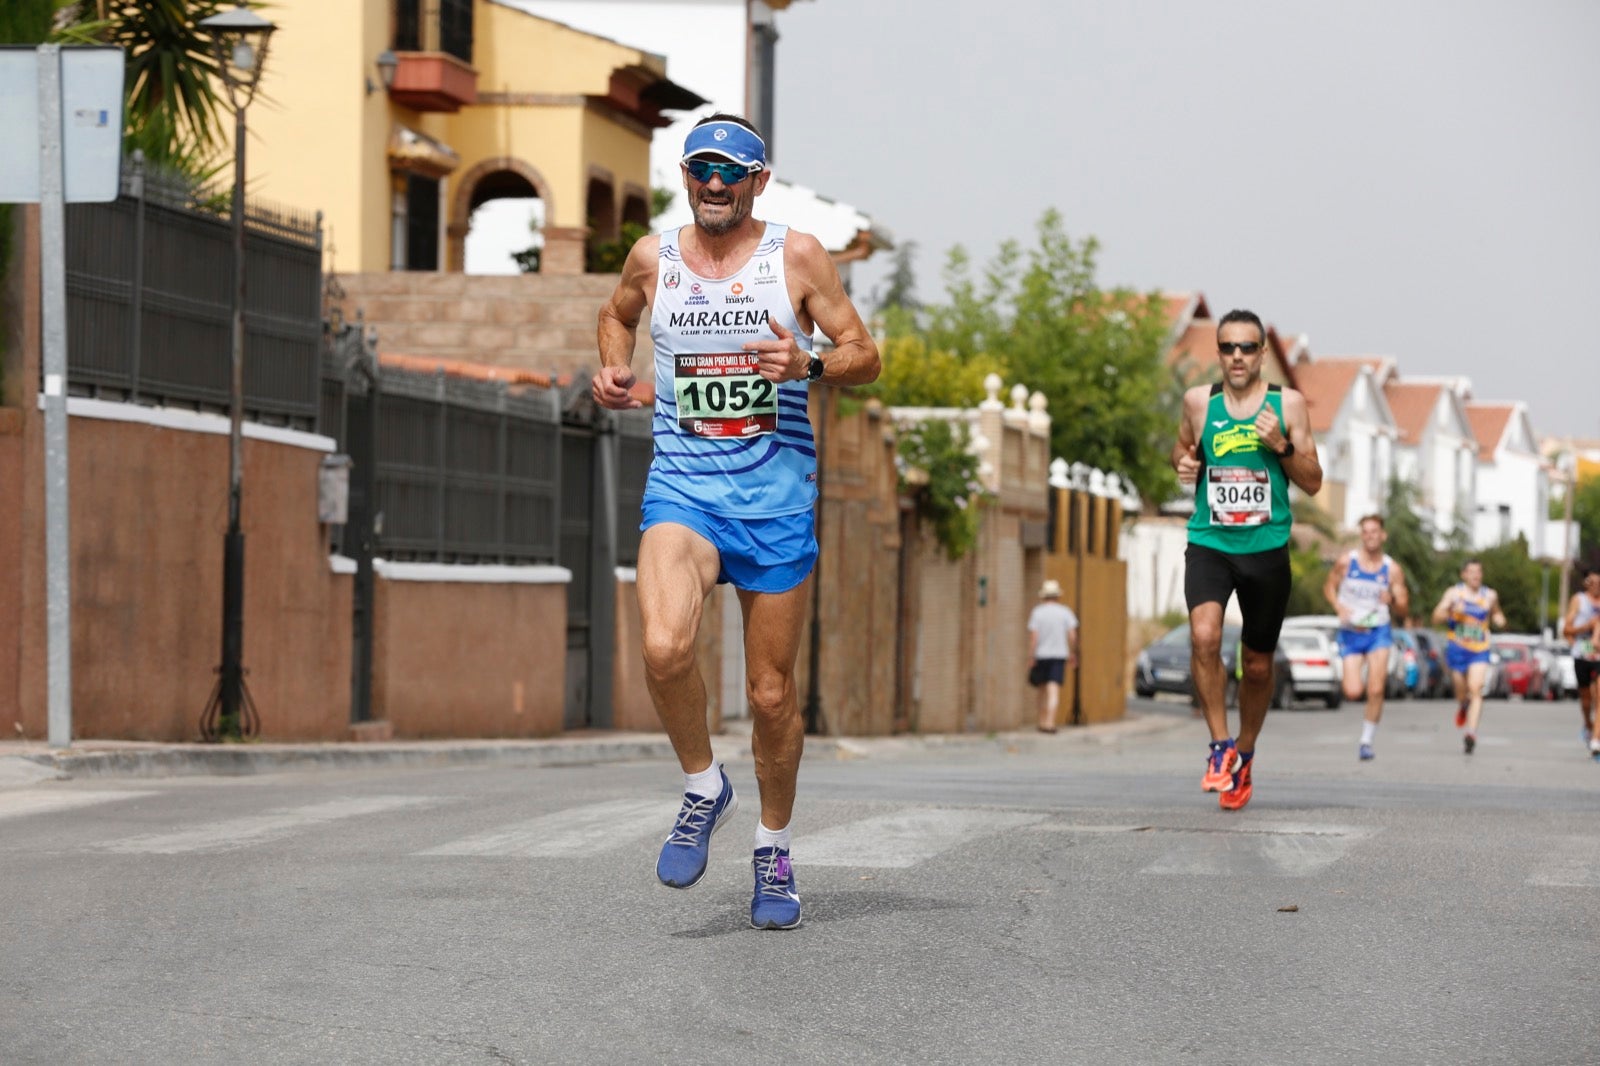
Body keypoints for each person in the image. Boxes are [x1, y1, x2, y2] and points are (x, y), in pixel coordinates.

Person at [591, 114, 880, 930]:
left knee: (770, 693)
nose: (714, 184)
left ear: (758, 180)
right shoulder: (654, 258)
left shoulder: (796, 256)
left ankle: (773, 846)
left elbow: (866, 353)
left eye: (732, 171)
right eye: (700, 170)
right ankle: (702, 786)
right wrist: (612, 366)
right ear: (685, 176)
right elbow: (615, 314)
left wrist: (812, 361)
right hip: (684, 491)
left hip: (777, 502)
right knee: (662, 644)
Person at [1172, 309, 1322, 810]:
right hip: (1211, 541)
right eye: (1228, 347)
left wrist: (1280, 445)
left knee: (1256, 666)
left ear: (1261, 354)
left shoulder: (1288, 405)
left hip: (1266, 549)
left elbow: (1313, 480)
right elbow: (1182, 450)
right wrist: (1185, 463)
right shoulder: (1198, 402)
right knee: (1205, 636)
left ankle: (1246, 754)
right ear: (1218, 353)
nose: (1237, 356)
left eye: (1247, 348)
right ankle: (1219, 748)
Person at [1323, 514, 1410, 760]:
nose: (1370, 536)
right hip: (1351, 632)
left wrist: (1392, 600)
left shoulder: (1392, 569)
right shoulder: (1345, 562)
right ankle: (1358, 680)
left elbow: (1404, 608)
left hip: (1378, 632)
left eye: (1375, 531)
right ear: (1361, 535)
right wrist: (1338, 606)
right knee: (1352, 691)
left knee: (1376, 688)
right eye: (1366, 532)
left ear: (1383, 535)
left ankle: (1366, 741)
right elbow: (1329, 586)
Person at [1430, 559, 1506, 755]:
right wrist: (1450, 610)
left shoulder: (1489, 595)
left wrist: (1499, 620)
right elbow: (1436, 616)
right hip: (1457, 648)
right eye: (1471, 572)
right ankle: (1463, 705)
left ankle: (1471, 733)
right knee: (1462, 692)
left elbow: (1498, 614)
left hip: (1479, 649)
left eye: (1479, 572)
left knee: (1476, 689)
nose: (1475, 576)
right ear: (1463, 575)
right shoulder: (1455, 594)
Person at [1028, 579, 1079, 732]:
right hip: (1058, 655)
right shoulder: (1065, 612)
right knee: (1053, 690)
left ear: (1043, 596)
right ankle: (1050, 723)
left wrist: (1031, 656)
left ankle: (1042, 722)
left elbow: (1034, 638)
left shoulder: (1037, 613)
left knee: (1042, 691)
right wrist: (1073, 653)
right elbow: (1072, 636)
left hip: (1041, 655)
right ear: (1058, 596)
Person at [1559, 567, 1600, 755]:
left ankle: (1596, 738)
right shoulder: (1578, 601)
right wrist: (1587, 626)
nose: (1596, 586)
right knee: (1586, 699)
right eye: (1592, 582)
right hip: (1582, 654)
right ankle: (1588, 723)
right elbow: (1566, 630)